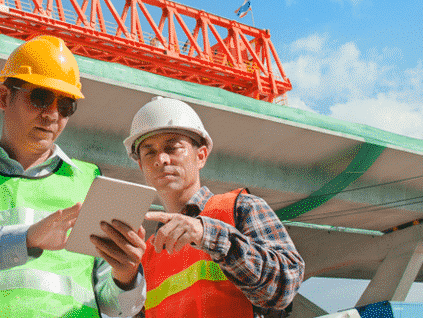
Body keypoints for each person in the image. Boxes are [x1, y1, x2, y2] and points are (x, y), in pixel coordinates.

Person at [0, 35, 147, 317]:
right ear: (3, 97)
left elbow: (117, 307)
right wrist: (25, 240)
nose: (52, 114)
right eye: (41, 97)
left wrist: (127, 276)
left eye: (65, 105)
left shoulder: (90, 181)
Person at [123, 96, 304, 317]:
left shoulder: (241, 208)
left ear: (201, 156)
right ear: (141, 165)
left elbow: (286, 286)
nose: (161, 159)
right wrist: (124, 280)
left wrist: (208, 235)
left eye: (173, 147)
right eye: (149, 151)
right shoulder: (148, 252)